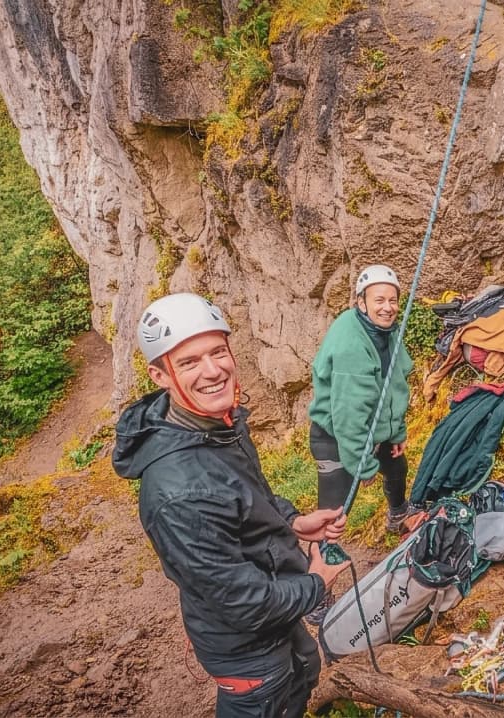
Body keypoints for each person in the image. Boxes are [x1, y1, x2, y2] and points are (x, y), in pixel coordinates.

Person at [112, 292, 348, 718]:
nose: (213, 370)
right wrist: (316, 582)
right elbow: (244, 603)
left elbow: (248, 494)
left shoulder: (215, 423)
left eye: (218, 352)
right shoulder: (178, 493)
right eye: (189, 362)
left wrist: (293, 521)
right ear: (159, 375)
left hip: (276, 607)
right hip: (248, 646)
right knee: (270, 698)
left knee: (304, 673)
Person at [308, 264, 414, 529]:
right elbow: (348, 416)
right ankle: (319, 563)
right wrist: (361, 463)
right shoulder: (351, 345)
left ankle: (399, 515)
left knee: (396, 468)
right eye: (379, 300)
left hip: (372, 430)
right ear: (361, 303)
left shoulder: (385, 333)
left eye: (393, 300)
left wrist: (396, 432)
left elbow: (394, 384)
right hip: (334, 437)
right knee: (333, 514)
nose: (387, 307)